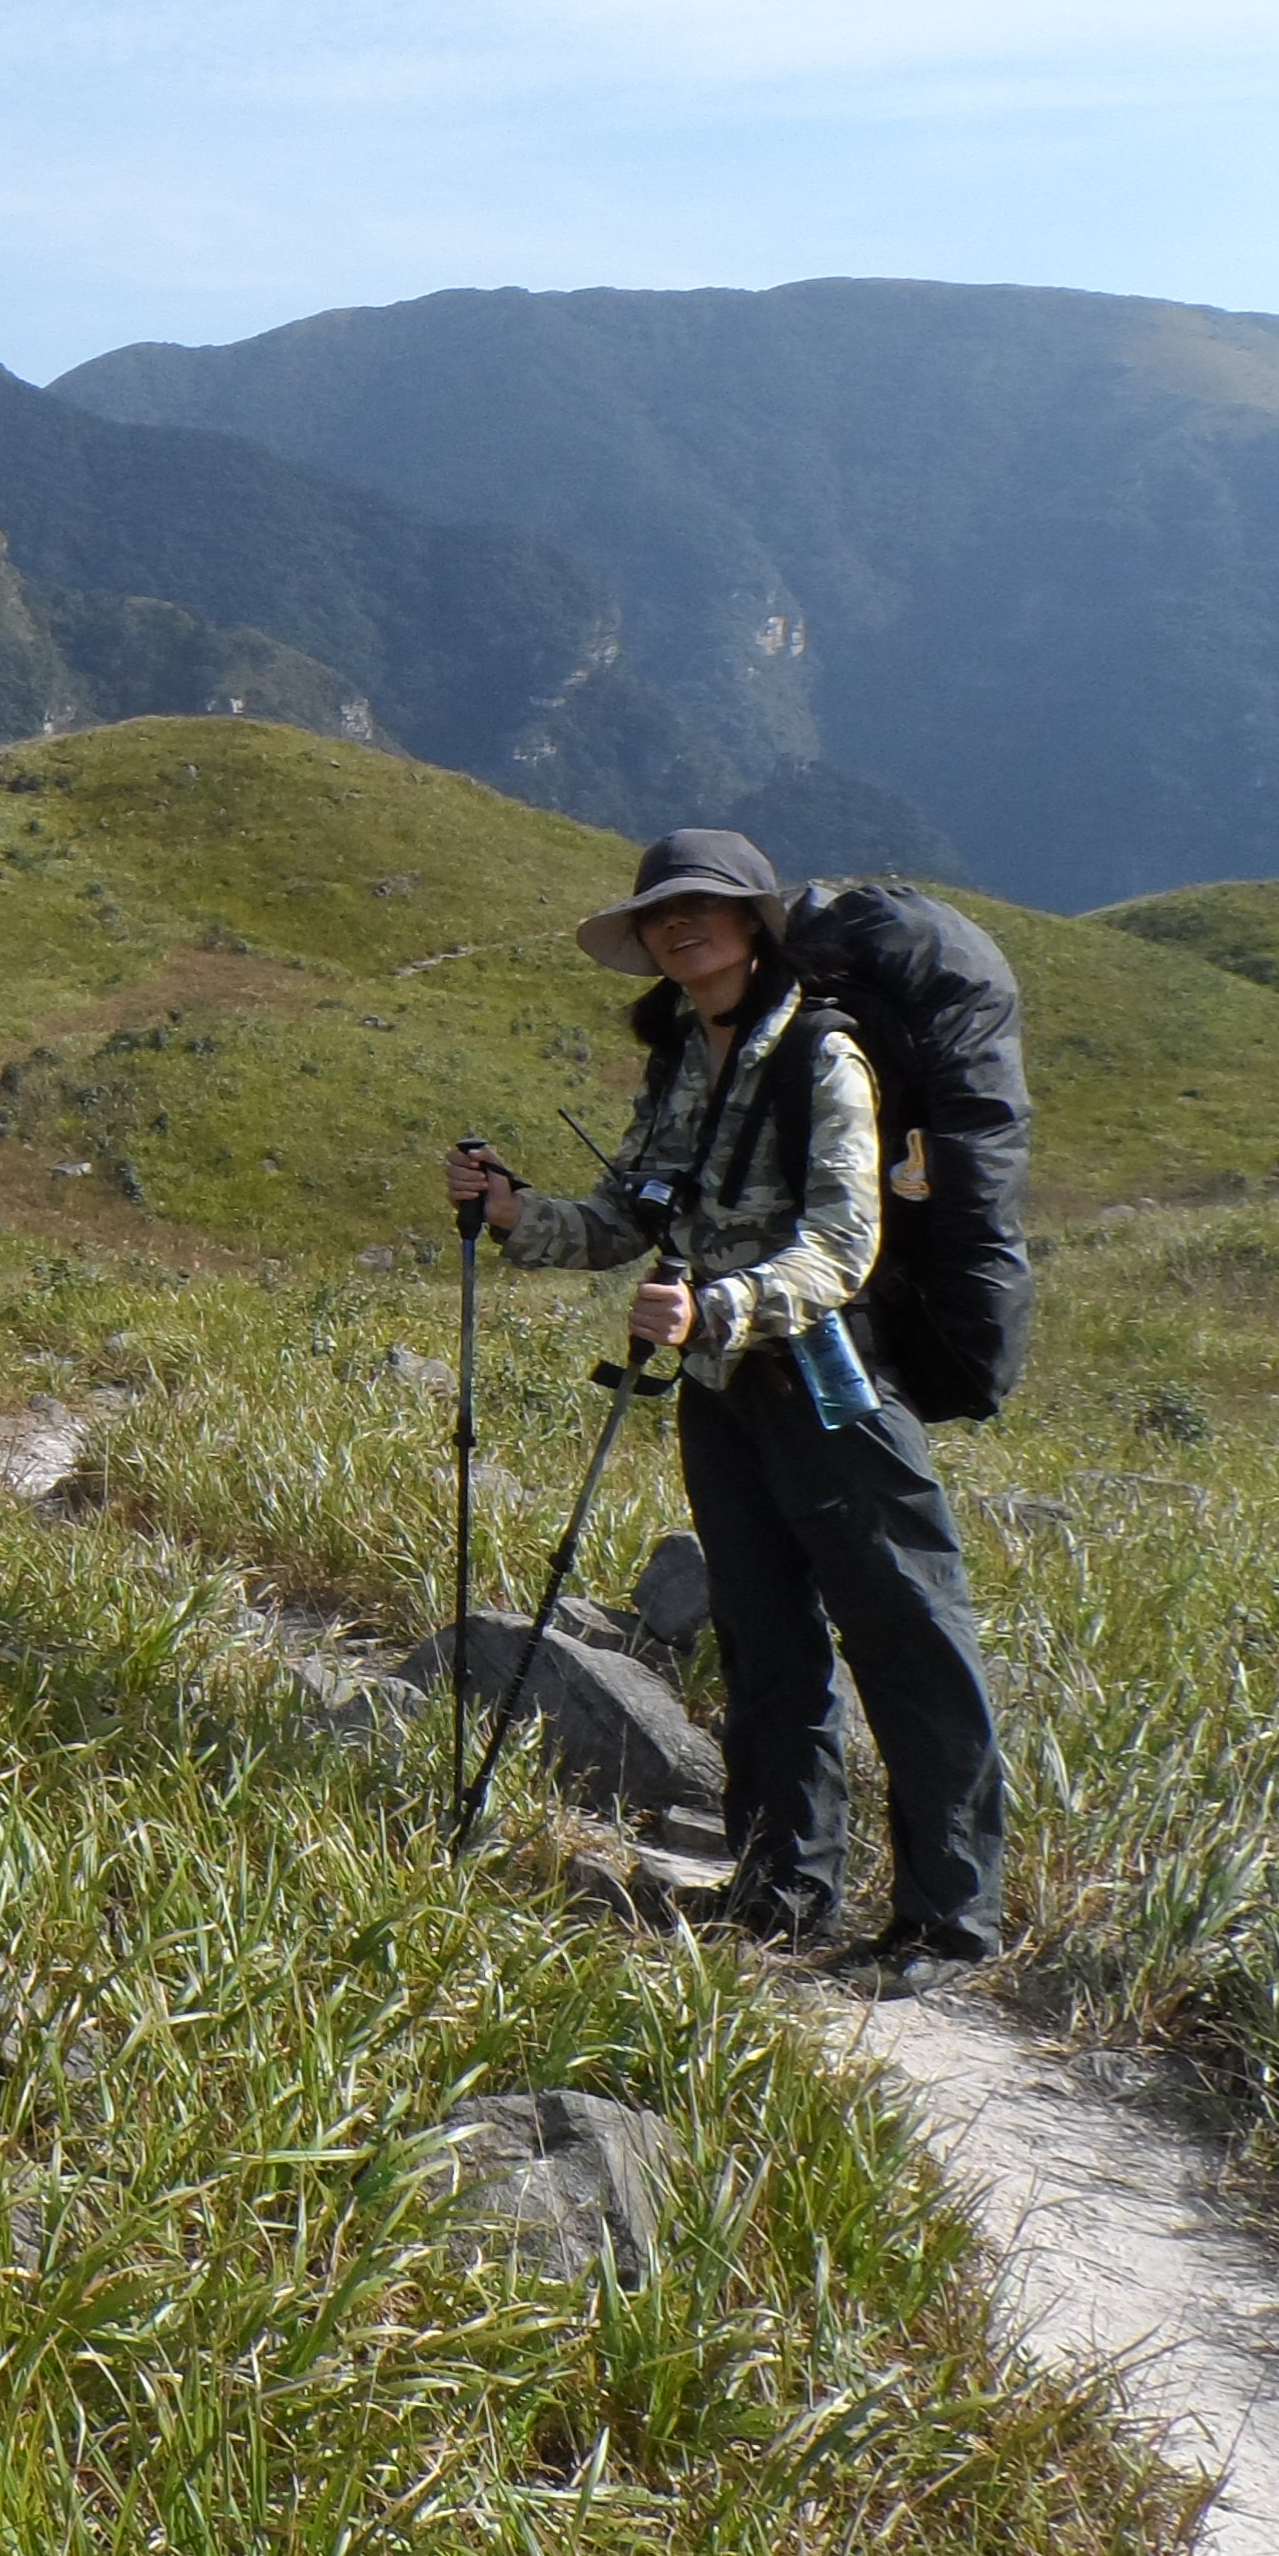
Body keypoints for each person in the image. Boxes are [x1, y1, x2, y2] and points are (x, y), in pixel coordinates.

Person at [442, 826, 1006, 1998]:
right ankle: (781, 1885)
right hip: (720, 1393)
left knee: (905, 1635)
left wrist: (722, 1305)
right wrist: (511, 1212)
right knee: (763, 1638)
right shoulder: (682, 1065)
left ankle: (948, 1924)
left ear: (754, 920)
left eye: (704, 906)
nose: (678, 925)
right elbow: (624, 1219)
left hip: (825, 1382)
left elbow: (847, 1245)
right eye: (659, 914)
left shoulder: (820, 1056)